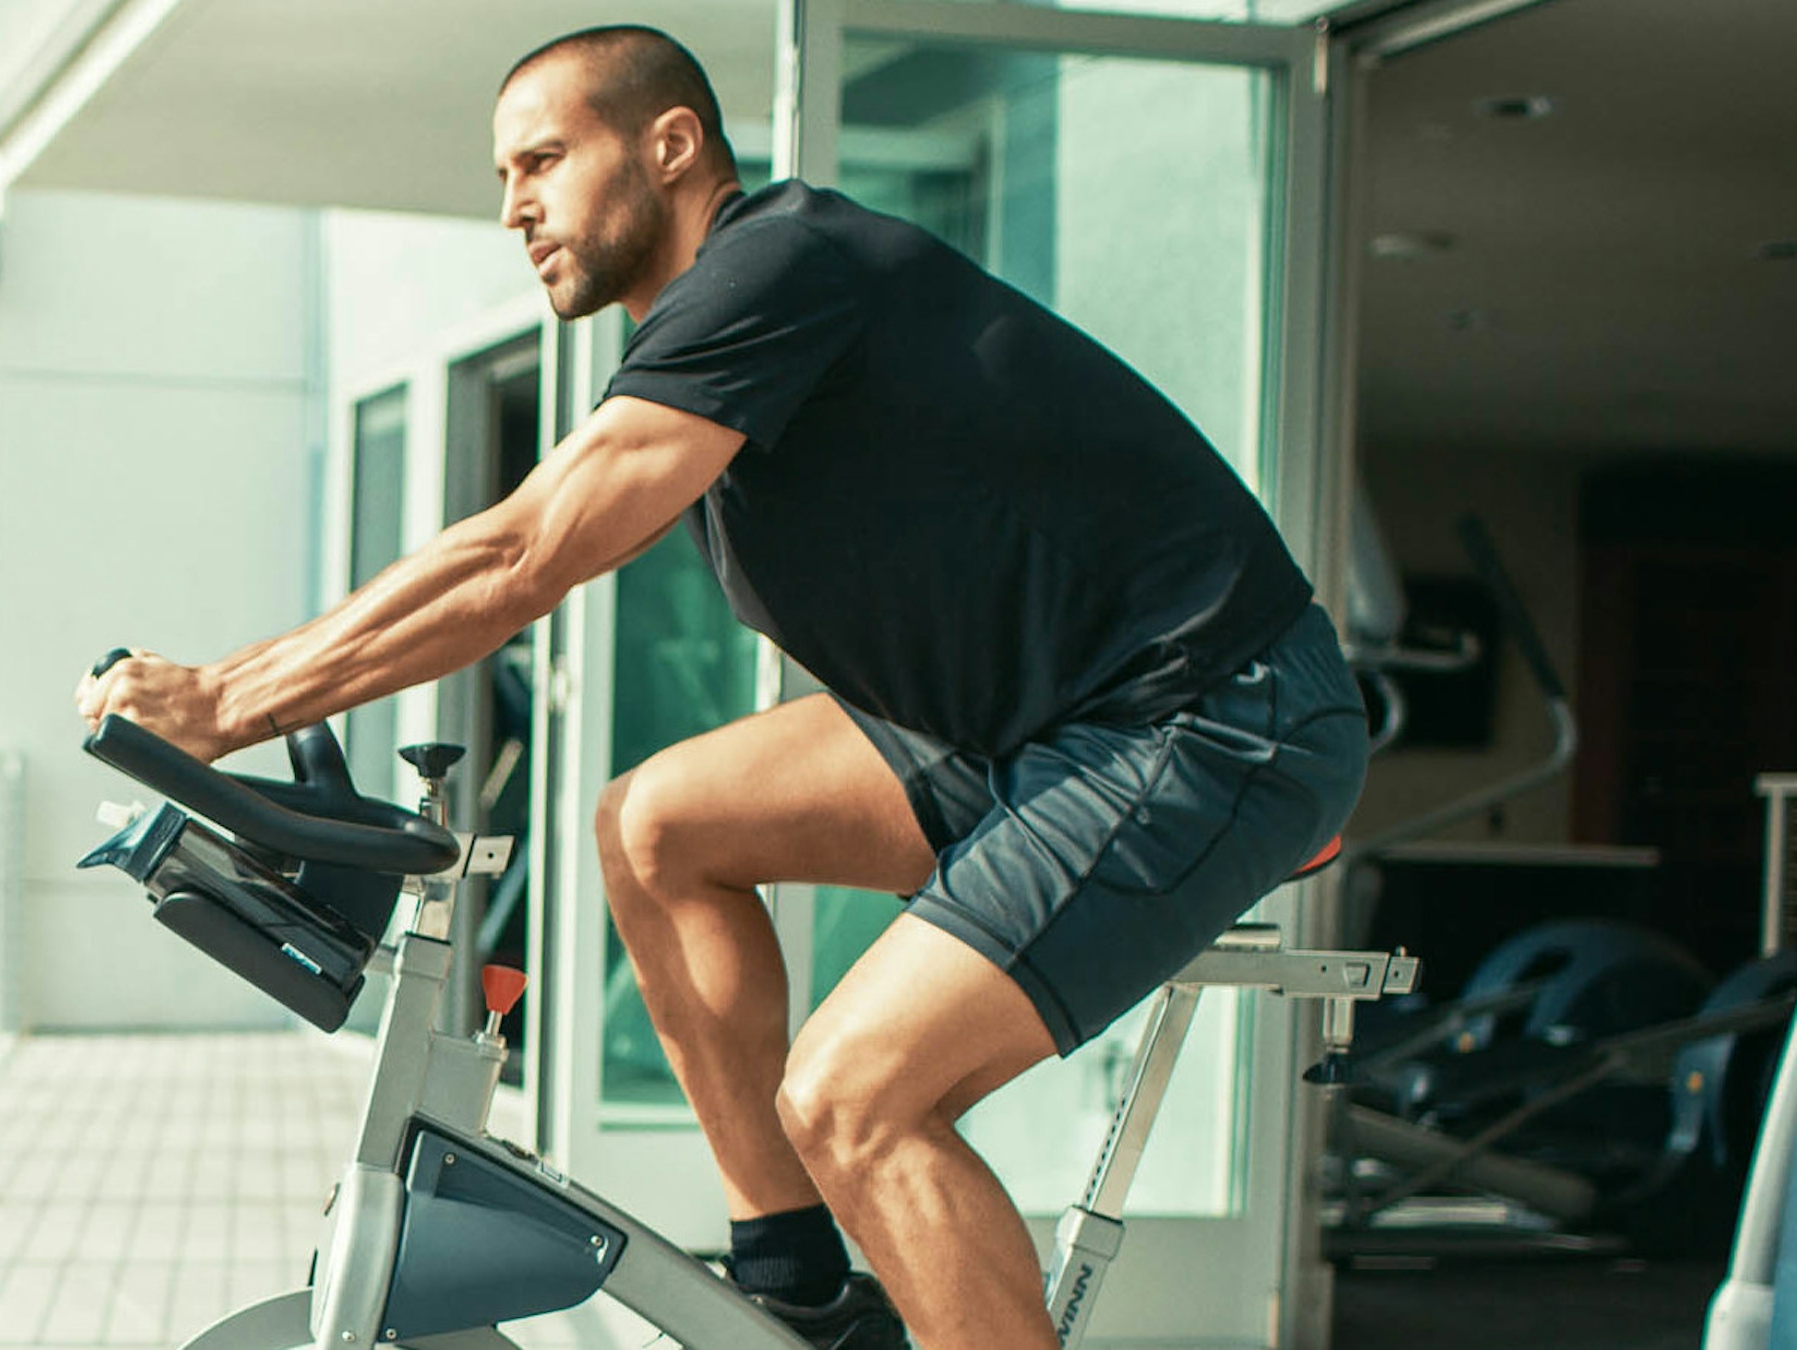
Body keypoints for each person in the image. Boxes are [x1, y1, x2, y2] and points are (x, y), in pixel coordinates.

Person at [72, 22, 1368, 1349]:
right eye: (500, 177)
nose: (512, 205)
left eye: (541, 160)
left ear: (671, 144)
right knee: (653, 825)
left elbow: (524, 551)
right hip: (1027, 724)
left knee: (856, 1098)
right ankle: (798, 1291)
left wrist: (230, 700)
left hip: (1213, 711)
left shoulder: (780, 263)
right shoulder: (715, 337)